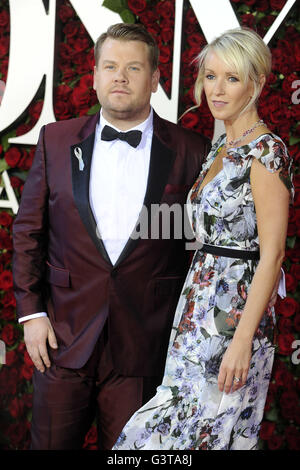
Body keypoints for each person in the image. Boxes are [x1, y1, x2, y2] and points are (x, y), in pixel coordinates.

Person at [12, 23, 211, 450]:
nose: (120, 76)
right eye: (111, 66)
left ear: (155, 80)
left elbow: (196, 249)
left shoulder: (193, 149)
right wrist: (31, 314)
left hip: (144, 345)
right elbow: (28, 231)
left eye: (134, 67)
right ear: (96, 74)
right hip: (62, 338)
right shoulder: (56, 139)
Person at [112, 27, 294, 451]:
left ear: (257, 82)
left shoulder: (266, 152)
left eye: (231, 78)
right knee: (179, 431)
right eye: (210, 76)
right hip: (196, 310)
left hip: (232, 320)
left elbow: (273, 255)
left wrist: (242, 342)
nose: (216, 89)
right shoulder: (220, 147)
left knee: (200, 433)